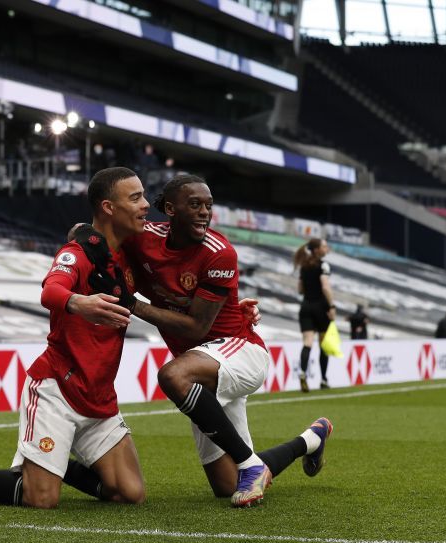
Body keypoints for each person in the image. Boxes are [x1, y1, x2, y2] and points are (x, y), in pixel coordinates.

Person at [0, 167, 150, 508]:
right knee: (41, 499)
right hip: (57, 390)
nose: (145, 204)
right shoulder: (75, 254)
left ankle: (51, 462)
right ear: (108, 207)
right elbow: (50, 291)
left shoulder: (132, 253)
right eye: (135, 198)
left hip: (99, 398)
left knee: (129, 493)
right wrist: (80, 303)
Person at [121, 175, 332, 508]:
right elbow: (89, 233)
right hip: (201, 364)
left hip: (239, 350)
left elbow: (195, 326)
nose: (205, 212)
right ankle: (310, 440)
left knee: (173, 376)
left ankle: (250, 465)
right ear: (170, 209)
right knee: (226, 485)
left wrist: (132, 304)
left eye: (208, 205)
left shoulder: (219, 253)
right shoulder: (142, 239)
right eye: (195, 205)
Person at [294, 238, 335, 392]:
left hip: (305, 307)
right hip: (321, 307)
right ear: (317, 250)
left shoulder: (303, 266)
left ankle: (303, 373)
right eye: (324, 246)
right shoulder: (323, 265)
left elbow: (299, 289)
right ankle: (323, 379)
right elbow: (325, 287)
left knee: (307, 342)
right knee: (323, 344)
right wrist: (332, 305)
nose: (327, 249)